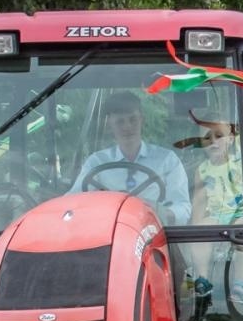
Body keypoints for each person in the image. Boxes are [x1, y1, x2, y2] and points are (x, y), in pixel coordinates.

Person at [68, 91, 191, 225]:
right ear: (110, 123)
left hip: (155, 235)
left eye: (133, 119)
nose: (127, 127)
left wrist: (161, 212)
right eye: (120, 121)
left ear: (142, 119)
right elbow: (74, 202)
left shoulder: (167, 160)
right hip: (109, 234)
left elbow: (182, 207)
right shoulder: (96, 162)